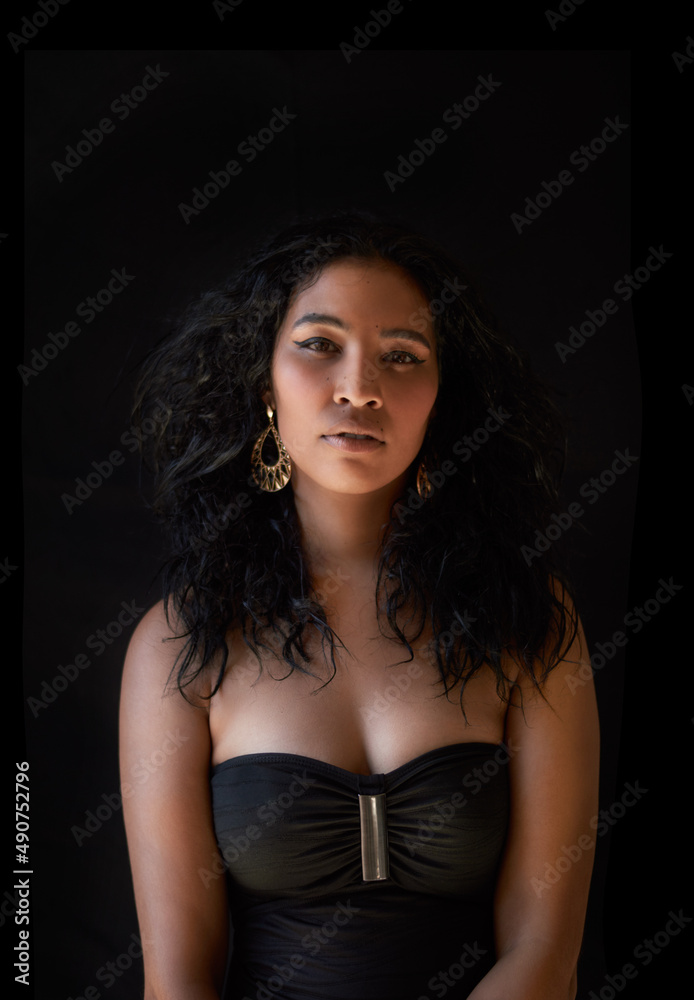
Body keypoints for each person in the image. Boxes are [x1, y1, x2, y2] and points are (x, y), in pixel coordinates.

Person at [119, 210, 600, 1000]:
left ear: (442, 399)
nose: (359, 388)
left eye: (401, 355)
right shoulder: (182, 643)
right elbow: (176, 982)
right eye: (319, 344)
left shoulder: (531, 621)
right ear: (263, 384)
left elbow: (545, 956)